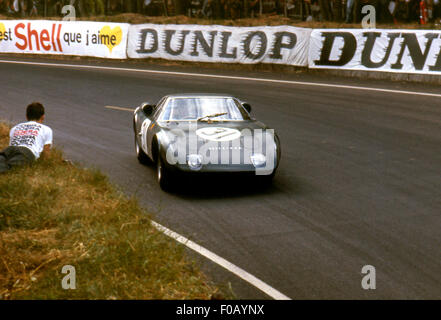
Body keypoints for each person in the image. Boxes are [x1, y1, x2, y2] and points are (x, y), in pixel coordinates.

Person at [0, 102, 53, 173]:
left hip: (10, 149)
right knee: (9, 169)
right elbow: (46, 152)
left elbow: (11, 144)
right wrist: (47, 166)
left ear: (27, 116)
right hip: (27, 152)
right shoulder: (46, 129)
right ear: (43, 116)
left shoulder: (15, 127)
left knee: (2, 161)